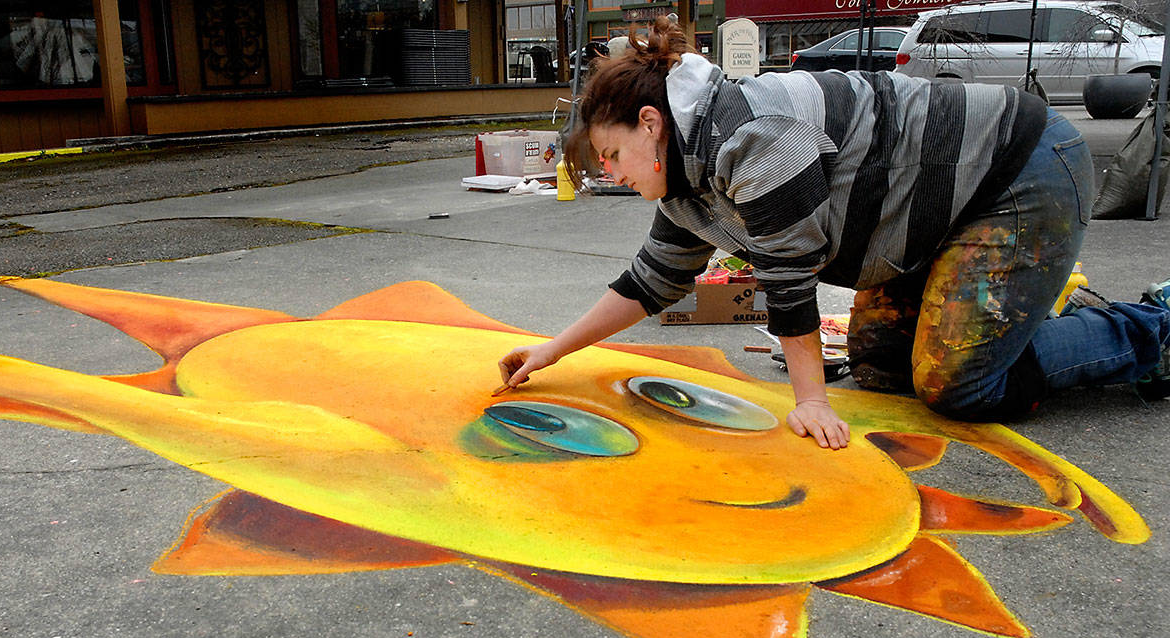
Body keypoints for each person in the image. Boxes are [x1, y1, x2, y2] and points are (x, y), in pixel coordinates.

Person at [496, 18, 1170, 450]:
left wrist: (810, 402)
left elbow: (789, 280)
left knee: (958, 387)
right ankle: (1019, 319)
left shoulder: (747, 136)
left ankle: (1151, 329)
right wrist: (551, 352)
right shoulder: (685, 180)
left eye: (611, 156)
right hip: (932, 215)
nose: (611, 173)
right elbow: (649, 282)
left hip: (1019, 174)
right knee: (879, 359)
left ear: (650, 124)